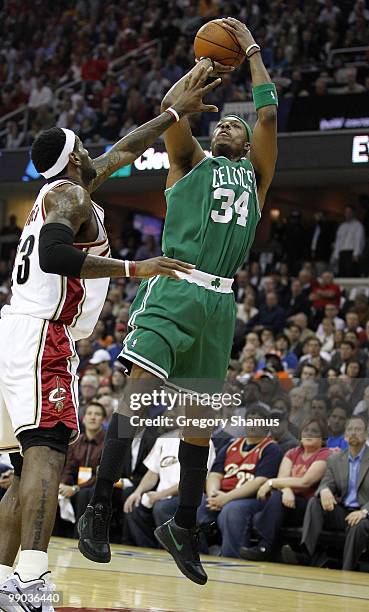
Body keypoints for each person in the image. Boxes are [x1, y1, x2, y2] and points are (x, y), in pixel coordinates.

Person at [0, 67, 218, 608]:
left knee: (27, 466)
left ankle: (5, 578)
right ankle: (29, 578)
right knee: (49, 455)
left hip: (17, 332)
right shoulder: (72, 197)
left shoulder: (67, 190)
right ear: (75, 157)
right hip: (41, 337)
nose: (96, 156)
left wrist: (173, 114)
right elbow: (55, 255)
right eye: (86, 152)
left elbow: (123, 150)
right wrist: (133, 269)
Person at [78, 17, 278, 586]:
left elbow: (267, 112)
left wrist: (251, 48)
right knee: (136, 398)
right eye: (226, 123)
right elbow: (172, 108)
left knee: (198, 427)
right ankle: (98, 508)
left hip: (219, 303)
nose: (233, 126)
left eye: (238, 126)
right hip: (174, 285)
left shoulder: (258, 177)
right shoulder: (188, 162)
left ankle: (184, 525)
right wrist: (205, 67)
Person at [240, 417, 331, 560]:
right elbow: (281, 479)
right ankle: (268, 547)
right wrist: (286, 490)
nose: (309, 434)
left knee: (274, 499)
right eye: (306, 430)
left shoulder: (325, 454)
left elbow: (305, 482)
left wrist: (271, 483)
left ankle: (266, 547)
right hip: (285, 502)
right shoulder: (292, 452)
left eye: (315, 431)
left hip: (308, 507)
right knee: (275, 498)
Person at [197, 405, 282, 558]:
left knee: (232, 510)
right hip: (222, 496)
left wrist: (225, 498)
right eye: (250, 421)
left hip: (252, 499)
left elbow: (259, 482)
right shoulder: (230, 445)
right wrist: (213, 495)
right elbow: (215, 474)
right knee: (197, 504)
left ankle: (232, 557)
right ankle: (200, 554)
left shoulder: (271, 448)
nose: (253, 425)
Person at [286, 416, 369, 570]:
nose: (353, 433)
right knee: (315, 502)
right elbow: (326, 482)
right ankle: (306, 553)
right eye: (350, 429)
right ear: (345, 435)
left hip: (364, 515)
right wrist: (324, 490)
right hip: (343, 512)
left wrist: (364, 511)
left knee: (359, 524)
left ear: (366, 434)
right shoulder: (335, 459)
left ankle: (347, 570)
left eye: (358, 429)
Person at [57, 402, 106, 536]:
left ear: (103, 419)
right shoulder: (76, 441)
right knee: (55, 491)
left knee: (84, 494)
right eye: (89, 414)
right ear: (83, 419)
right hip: (76, 484)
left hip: (97, 486)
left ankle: (80, 537)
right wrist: (63, 484)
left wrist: (76, 488)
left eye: (97, 414)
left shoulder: (107, 443)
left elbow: (101, 475)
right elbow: (68, 468)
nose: (93, 417)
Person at [332, 206, 365, 277]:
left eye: (349, 212)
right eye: (346, 212)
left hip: (351, 252)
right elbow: (338, 241)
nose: (347, 214)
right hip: (342, 253)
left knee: (350, 273)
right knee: (341, 273)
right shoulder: (342, 226)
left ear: (353, 213)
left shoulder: (358, 225)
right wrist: (336, 254)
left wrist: (356, 253)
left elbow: (359, 240)